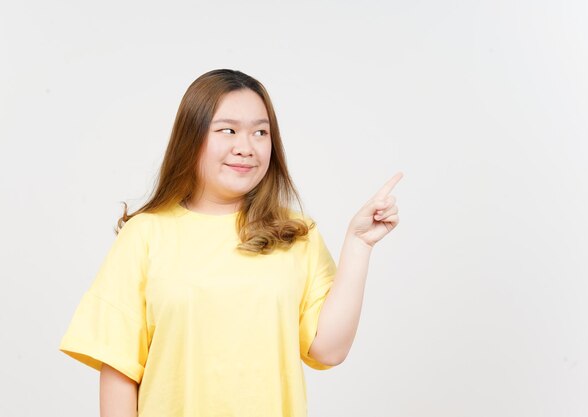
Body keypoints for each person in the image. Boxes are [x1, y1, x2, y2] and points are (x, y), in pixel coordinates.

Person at [58, 68, 402, 417]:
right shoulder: (145, 235)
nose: (246, 147)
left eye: (260, 132)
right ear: (190, 138)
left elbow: (328, 350)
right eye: (228, 130)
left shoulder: (296, 232)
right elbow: (118, 367)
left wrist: (359, 244)